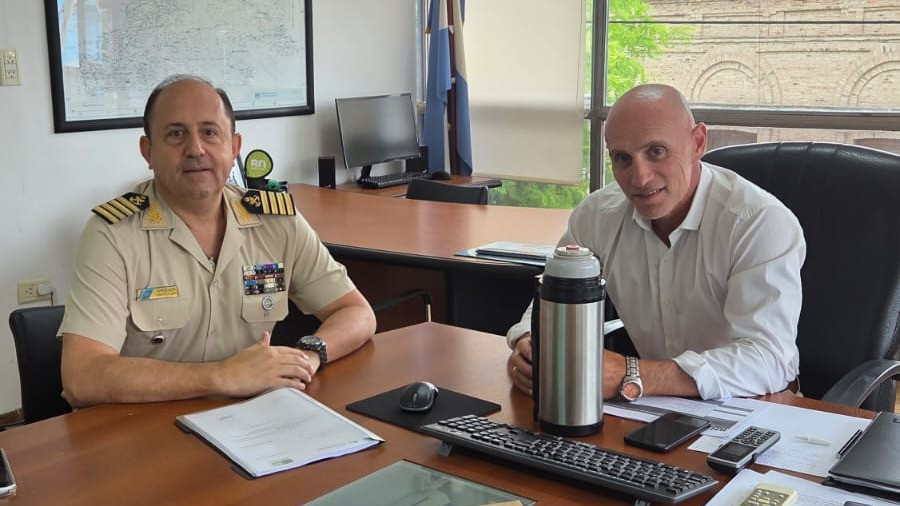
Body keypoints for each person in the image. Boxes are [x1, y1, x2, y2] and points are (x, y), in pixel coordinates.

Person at [59, 75, 376, 408]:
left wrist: (306, 357)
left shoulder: (278, 222)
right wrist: (220, 375)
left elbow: (357, 312)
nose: (196, 149)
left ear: (234, 147)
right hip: (143, 423)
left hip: (248, 417)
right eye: (176, 134)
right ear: (147, 151)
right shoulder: (112, 234)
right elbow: (83, 376)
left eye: (210, 132)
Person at [507, 84, 805, 401]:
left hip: (755, 404)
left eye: (656, 152)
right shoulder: (597, 216)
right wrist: (530, 342)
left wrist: (632, 374)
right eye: (623, 158)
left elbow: (769, 359)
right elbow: (552, 298)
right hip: (654, 402)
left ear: (697, 143)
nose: (640, 178)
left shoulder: (757, 221)